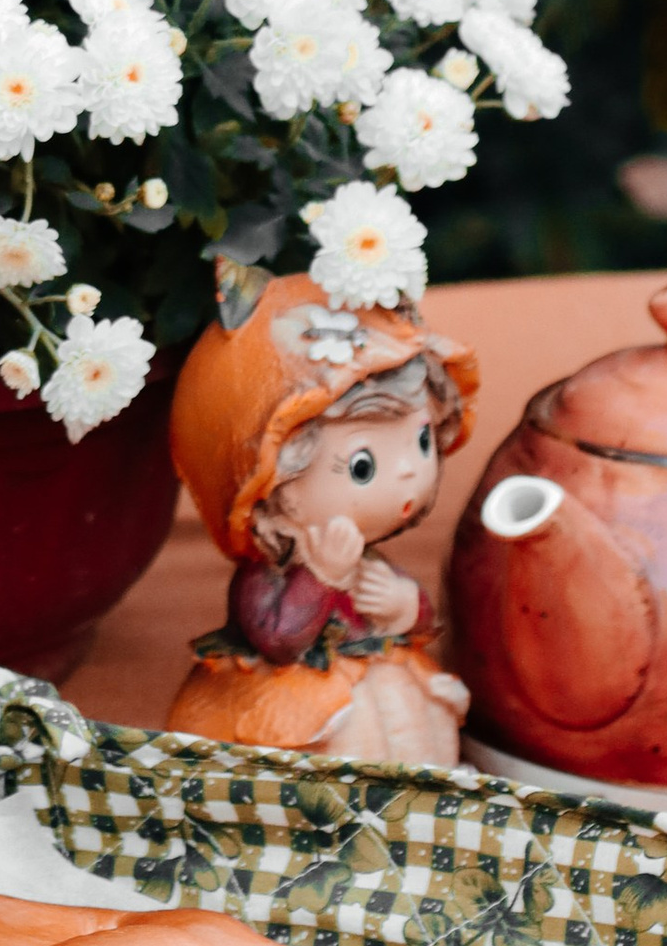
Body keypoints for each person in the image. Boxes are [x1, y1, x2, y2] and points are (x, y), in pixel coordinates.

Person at [160, 270, 477, 762]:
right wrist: (322, 575)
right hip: (295, 703)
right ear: (271, 491)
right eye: (362, 466)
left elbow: (419, 622)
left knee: (420, 720)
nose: (409, 475)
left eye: (421, 441)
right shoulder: (267, 575)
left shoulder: (367, 557)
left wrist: (403, 607)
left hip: (381, 680)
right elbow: (278, 640)